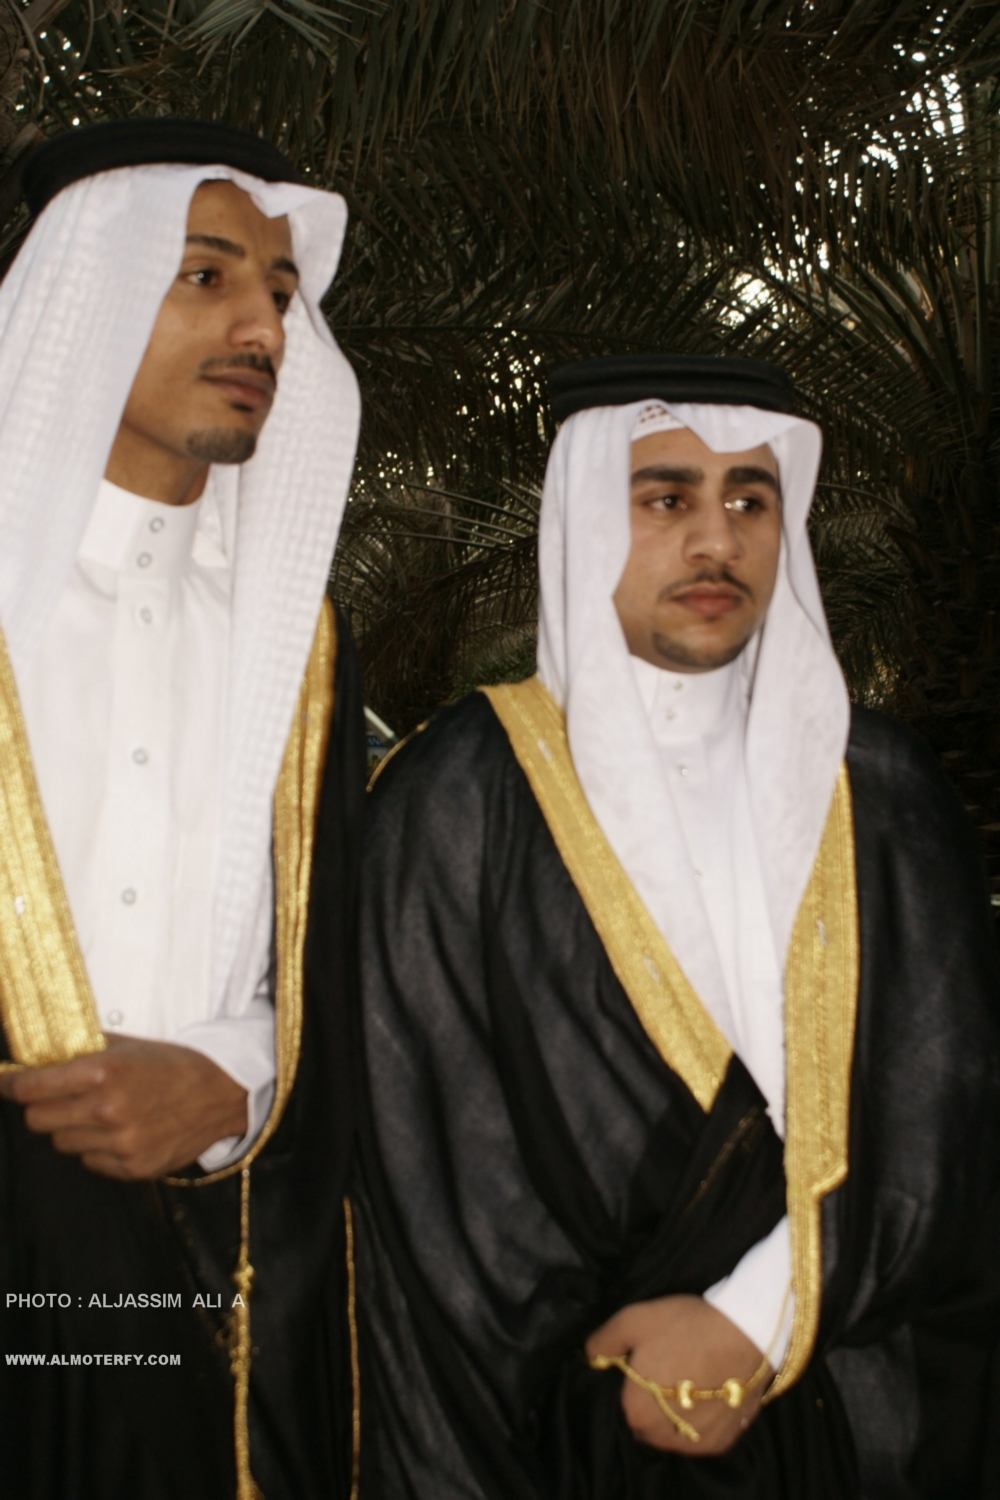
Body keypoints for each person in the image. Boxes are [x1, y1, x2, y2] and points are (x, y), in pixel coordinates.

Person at [352, 354, 1000, 1498]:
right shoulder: (457, 795)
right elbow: (423, 1160)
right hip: (571, 1427)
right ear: (584, 518)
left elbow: (944, 1109)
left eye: (750, 499)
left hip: (857, 1408)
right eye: (665, 499)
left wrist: (755, 1317)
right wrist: (618, 1369)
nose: (716, 540)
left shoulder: (882, 790)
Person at [0, 119, 365, 1500]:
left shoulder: (297, 648)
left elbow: (338, 955)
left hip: (214, 1275)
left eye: (279, 289)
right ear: (85, 290)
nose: (261, 327)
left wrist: (234, 1073)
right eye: (204, 275)